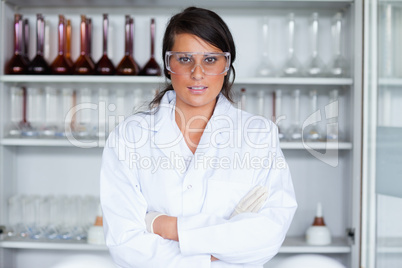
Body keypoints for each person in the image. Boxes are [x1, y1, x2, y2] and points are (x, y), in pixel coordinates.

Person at [100, 6, 297, 268]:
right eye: (184, 59)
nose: (197, 72)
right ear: (168, 65)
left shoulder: (258, 135)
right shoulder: (128, 137)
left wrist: (166, 226)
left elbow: (267, 235)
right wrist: (217, 249)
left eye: (210, 59)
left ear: (226, 65)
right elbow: (124, 243)